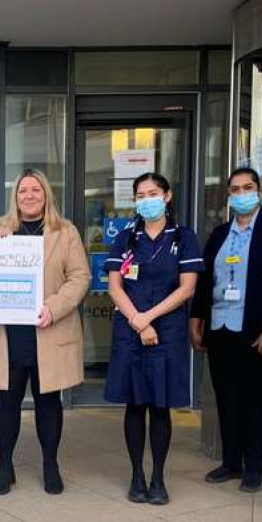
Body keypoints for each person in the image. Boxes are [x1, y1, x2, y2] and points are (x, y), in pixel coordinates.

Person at [190, 167, 262, 492]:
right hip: (221, 328)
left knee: (255, 400)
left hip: (256, 332)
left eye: (247, 187)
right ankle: (231, 462)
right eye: (234, 189)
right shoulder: (219, 234)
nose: (241, 194)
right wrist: (196, 322)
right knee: (226, 397)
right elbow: (205, 282)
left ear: (259, 190)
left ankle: (254, 468)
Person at [0, 168, 90, 495]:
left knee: (48, 402)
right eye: (22, 191)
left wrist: (54, 307)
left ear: (46, 195)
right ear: (15, 197)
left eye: (35, 190)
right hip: (10, 333)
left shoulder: (66, 231)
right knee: (7, 402)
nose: (29, 196)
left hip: (48, 330)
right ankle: (5, 465)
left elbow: (80, 277)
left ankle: (50, 464)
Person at [104, 173, 204, 504]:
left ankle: (158, 479)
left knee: (160, 407)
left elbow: (187, 288)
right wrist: (137, 320)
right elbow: (115, 286)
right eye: (140, 195)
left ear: (167, 196)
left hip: (167, 330)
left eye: (153, 193)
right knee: (135, 404)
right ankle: (136, 476)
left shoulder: (184, 238)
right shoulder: (125, 238)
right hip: (131, 331)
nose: (147, 199)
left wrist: (148, 319)